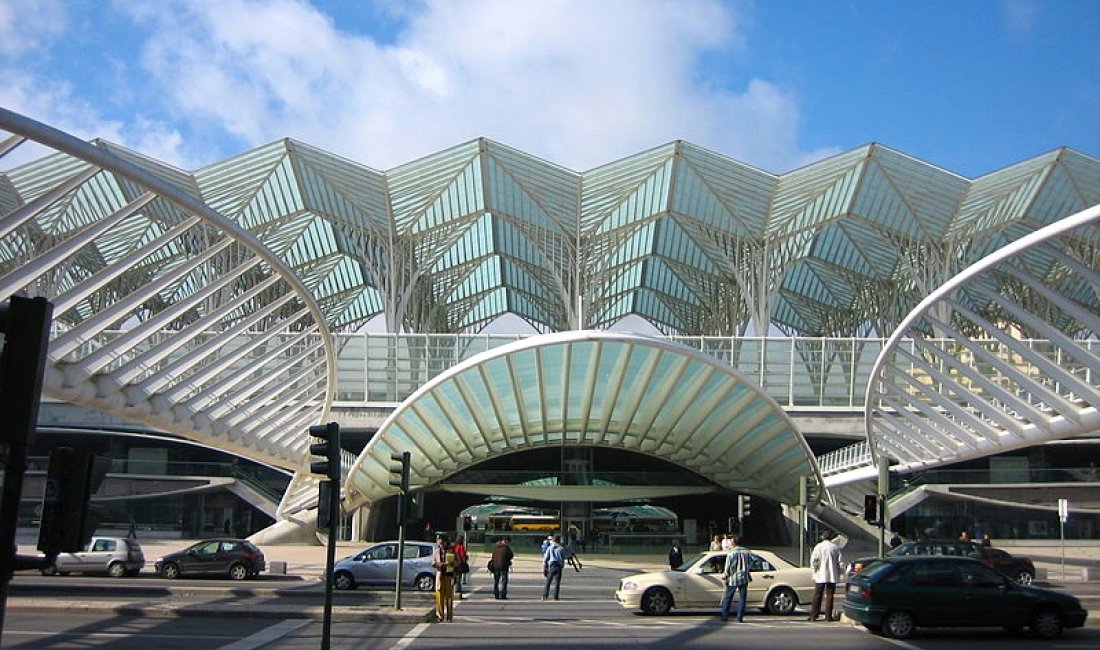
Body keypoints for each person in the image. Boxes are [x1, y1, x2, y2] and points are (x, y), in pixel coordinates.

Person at [807, 530, 843, 622]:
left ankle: (813, 615)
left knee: (817, 595)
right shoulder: (835, 548)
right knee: (830, 595)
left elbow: (814, 561)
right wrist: (840, 573)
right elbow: (840, 563)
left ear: (823, 537)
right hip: (832, 574)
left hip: (820, 574)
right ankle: (828, 616)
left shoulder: (818, 547)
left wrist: (815, 570)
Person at [719, 535, 752, 623]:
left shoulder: (732, 552)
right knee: (742, 598)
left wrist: (725, 576)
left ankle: (725, 615)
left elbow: (728, 565)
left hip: (733, 577)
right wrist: (747, 568)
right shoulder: (747, 552)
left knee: (728, 596)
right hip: (744, 576)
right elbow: (753, 561)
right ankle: (740, 617)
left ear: (734, 542)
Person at [431, 535, 456, 622]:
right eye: (439, 542)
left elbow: (458, 562)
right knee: (439, 595)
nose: (440, 544)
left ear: (445, 542)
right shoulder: (437, 551)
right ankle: (440, 616)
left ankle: (449, 616)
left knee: (449, 597)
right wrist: (440, 564)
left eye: (442, 542)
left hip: (449, 576)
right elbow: (433, 562)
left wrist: (452, 563)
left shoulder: (451, 551)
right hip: (440, 575)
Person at [542, 534, 565, 600]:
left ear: (553, 540)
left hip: (552, 565)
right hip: (558, 566)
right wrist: (562, 565)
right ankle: (555, 596)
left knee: (548, 581)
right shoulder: (561, 548)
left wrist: (544, 566)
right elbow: (563, 558)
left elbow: (546, 558)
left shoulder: (550, 548)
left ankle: (545, 596)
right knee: (557, 582)